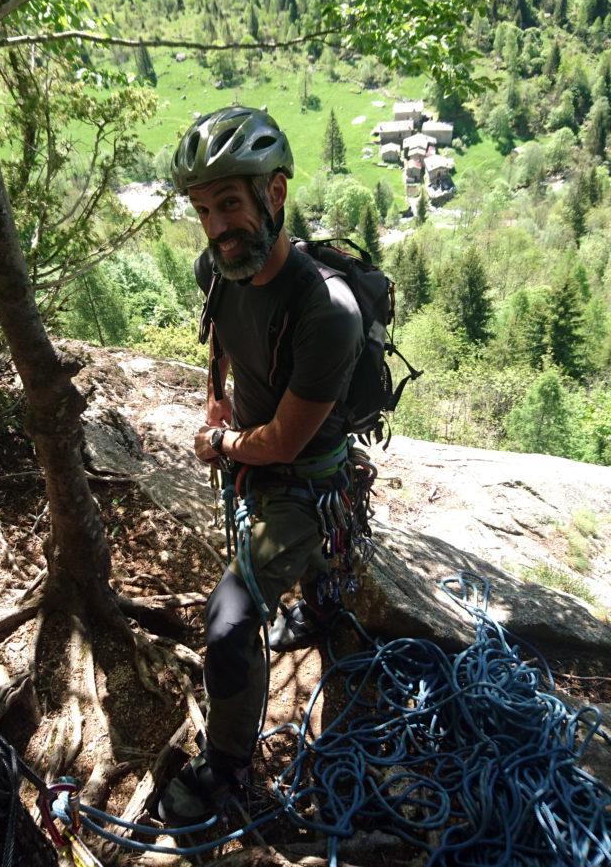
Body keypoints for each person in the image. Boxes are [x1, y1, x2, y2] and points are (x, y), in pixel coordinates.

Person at [158, 106, 364, 825]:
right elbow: (220, 347)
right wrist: (215, 403)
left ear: (276, 194)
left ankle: (225, 767)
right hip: (256, 459)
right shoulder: (215, 271)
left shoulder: (328, 311)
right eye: (204, 210)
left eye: (231, 205)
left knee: (227, 623)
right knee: (280, 586)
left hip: (306, 479)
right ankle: (315, 600)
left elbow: (281, 443)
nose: (218, 227)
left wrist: (220, 445)